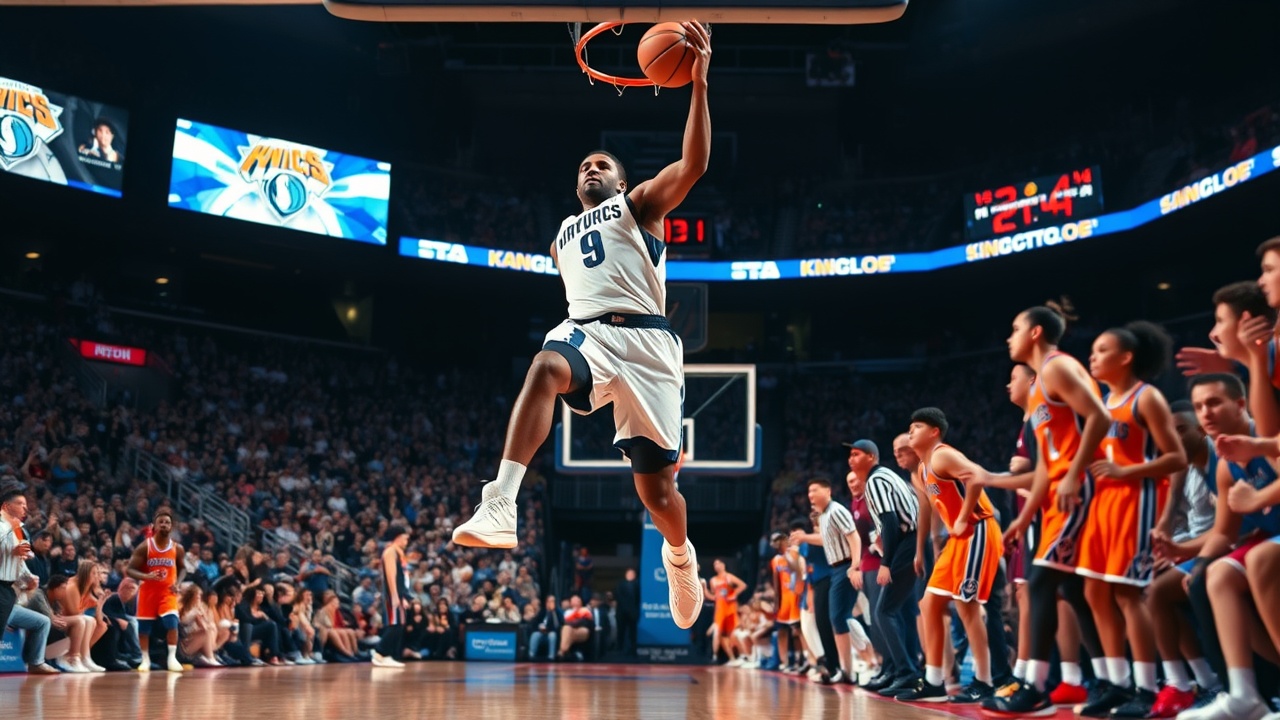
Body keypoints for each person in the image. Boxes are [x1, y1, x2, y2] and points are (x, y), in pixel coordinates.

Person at [449, 21, 714, 631]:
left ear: (620, 181)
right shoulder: (561, 235)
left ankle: (679, 556)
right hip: (588, 333)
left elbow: (694, 164)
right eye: (584, 167)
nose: (591, 169)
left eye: (602, 165)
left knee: (657, 496)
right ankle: (501, 502)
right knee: (545, 364)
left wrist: (698, 84)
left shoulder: (638, 205)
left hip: (648, 344)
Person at [984, 301, 1111, 716]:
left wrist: (1074, 473)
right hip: (1055, 494)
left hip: (1077, 489)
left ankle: (1034, 687)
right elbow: (1044, 466)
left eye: (1015, 328)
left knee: (1039, 583)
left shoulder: (1058, 367)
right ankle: (1112, 681)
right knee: (1071, 590)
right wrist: (1023, 517)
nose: (1009, 338)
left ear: (1035, 332)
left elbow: (1100, 416)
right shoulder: (1039, 387)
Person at [1075, 322, 1187, 717]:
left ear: (1126, 357)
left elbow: (1177, 457)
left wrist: (1127, 471)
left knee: (1126, 593)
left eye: (1102, 350)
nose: (1093, 357)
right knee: (1093, 592)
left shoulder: (1147, 397)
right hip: (1103, 503)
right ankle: (1118, 683)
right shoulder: (1102, 403)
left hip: (1137, 501)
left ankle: (1146, 686)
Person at [902, 408, 1004, 703]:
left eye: (917, 426)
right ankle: (934, 681)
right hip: (956, 540)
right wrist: (922, 548)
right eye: (909, 427)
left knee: (966, 606)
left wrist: (962, 517)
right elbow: (927, 509)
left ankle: (984, 681)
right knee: (929, 603)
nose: (910, 431)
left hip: (977, 529)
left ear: (934, 431)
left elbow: (976, 477)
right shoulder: (922, 470)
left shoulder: (942, 455)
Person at [845, 439, 921, 694]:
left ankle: (907, 673)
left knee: (884, 612)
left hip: (906, 544)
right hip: (910, 541)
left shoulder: (875, 480)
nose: (851, 459)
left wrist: (886, 562)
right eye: (850, 455)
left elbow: (890, 521)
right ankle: (900, 671)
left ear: (871, 456)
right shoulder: (884, 476)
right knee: (893, 612)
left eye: (856, 454)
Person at [791, 478, 859, 684]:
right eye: (808, 491)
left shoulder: (836, 510)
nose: (810, 495)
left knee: (841, 618)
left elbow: (854, 537)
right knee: (834, 619)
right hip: (836, 570)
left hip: (843, 568)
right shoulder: (826, 516)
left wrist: (855, 565)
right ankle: (840, 668)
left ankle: (856, 665)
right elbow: (825, 540)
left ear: (828, 490)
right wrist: (803, 538)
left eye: (814, 490)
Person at [126, 507, 186, 672]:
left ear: (171, 527)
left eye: (167, 522)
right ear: (154, 526)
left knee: (172, 623)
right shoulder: (145, 546)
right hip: (148, 592)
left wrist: (178, 583)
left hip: (168, 592)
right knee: (144, 629)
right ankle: (145, 659)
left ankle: (172, 658)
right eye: (161, 522)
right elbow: (130, 569)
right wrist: (146, 576)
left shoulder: (177, 548)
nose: (164, 524)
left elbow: (183, 568)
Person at [372, 526, 410, 669]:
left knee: (399, 625)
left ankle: (387, 655)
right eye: (405, 538)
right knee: (394, 624)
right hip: (392, 594)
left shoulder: (398, 552)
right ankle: (379, 652)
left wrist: (404, 595)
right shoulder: (390, 551)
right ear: (398, 537)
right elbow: (391, 575)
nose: (407, 541)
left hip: (399, 593)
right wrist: (394, 595)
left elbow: (401, 577)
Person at [768, 531, 802, 672]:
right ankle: (785, 662)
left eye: (777, 539)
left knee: (797, 631)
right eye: (773, 540)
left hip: (796, 597)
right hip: (784, 600)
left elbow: (797, 571)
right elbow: (776, 584)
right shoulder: (775, 560)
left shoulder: (794, 553)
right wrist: (776, 603)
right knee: (782, 631)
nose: (774, 543)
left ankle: (800, 660)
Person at [709, 558, 747, 664]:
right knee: (718, 633)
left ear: (723, 565)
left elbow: (743, 585)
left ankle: (742, 656)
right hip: (719, 609)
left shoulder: (729, 577)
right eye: (715, 564)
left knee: (732, 633)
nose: (717, 566)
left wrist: (734, 594)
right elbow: (714, 595)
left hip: (730, 608)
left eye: (718, 563)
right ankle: (720, 657)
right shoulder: (713, 580)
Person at [614, 568, 640, 657]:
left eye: (632, 574)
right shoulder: (620, 585)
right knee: (621, 631)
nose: (631, 575)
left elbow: (638, 599)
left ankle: (632, 651)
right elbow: (618, 597)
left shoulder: (637, 585)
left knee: (632, 633)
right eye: (629, 573)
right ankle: (619, 650)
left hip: (633, 613)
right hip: (621, 613)